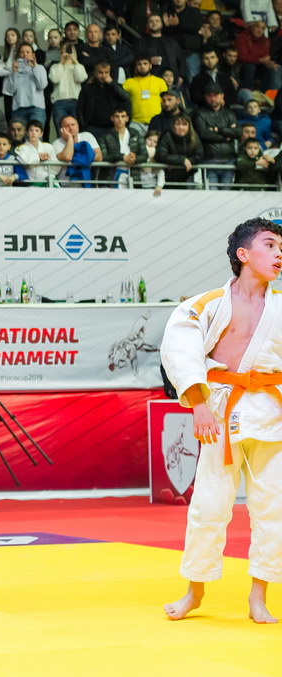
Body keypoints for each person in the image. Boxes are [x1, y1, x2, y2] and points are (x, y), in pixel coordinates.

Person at [161, 219, 282, 624]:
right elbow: (181, 352)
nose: (279, 254)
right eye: (270, 245)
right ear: (243, 254)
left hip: (273, 412)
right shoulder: (207, 304)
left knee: (274, 508)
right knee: (209, 505)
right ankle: (194, 591)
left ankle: (259, 596)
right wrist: (198, 404)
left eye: (281, 247)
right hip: (221, 410)